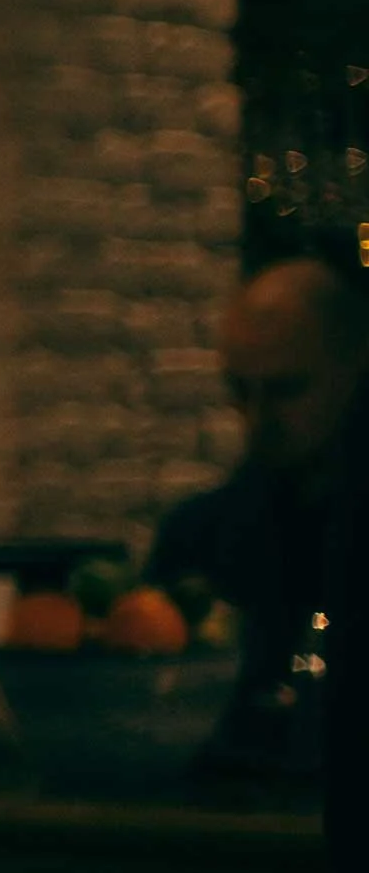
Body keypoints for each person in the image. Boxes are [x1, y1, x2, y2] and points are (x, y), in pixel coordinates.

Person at [149, 255, 365, 774]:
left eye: (286, 389)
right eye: (239, 391)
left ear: (354, 370)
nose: (256, 418)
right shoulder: (199, 536)